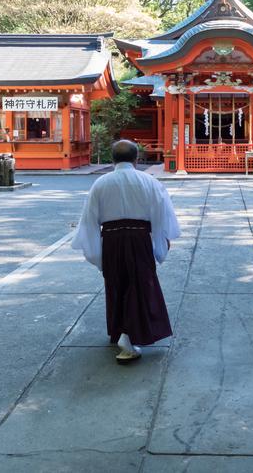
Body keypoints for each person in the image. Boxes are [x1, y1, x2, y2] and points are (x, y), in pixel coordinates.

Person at [71, 139, 180, 363]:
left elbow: (90, 220)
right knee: (140, 286)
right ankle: (129, 339)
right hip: (139, 239)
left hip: (111, 240)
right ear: (136, 158)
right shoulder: (148, 181)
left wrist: (96, 253)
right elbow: (162, 215)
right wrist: (161, 243)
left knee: (116, 285)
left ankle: (121, 332)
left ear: (113, 159)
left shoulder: (100, 184)